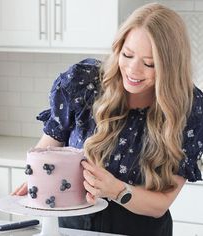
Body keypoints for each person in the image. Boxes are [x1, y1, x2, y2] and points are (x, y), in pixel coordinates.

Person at [13, 3, 203, 236]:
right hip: (72, 227)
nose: (133, 70)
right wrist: (38, 179)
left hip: (139, 230)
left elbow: (161, 203)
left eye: (149, 63)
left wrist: (116, 190)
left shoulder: (189, 108)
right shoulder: (83, 83)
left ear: (170, 67)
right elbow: (48, 149)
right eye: (128, 54)